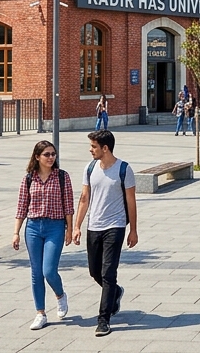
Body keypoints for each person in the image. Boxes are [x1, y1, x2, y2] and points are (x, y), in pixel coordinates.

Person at [71, 130, 137, 338]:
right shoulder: (90, 168)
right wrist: (77, 226)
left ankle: (103, 319)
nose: (91, 150)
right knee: (94, 272)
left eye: (93, 147)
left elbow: (131, 201)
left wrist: (133, 230)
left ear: (105, 148)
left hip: (115, 226)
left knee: (108, 273)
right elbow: (84, 198)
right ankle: (115, 293)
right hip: (94, 225)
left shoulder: (124, 169)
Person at [13, 140, 74, 331]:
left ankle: (60, 295)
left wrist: (70, 229)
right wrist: (16, 232)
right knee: (36, 272)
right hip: (33, 227)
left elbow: (69, 205)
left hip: (55, 227)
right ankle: (40, 313)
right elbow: (22, 206)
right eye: (46, 154)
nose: (51, 158)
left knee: (49, 270)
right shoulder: (29, 178)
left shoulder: (62, 177)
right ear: (37, 157)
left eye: (53, 154)